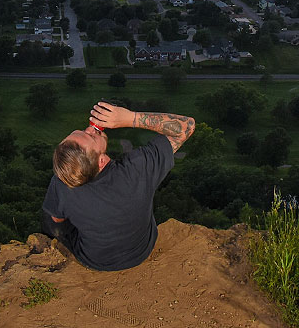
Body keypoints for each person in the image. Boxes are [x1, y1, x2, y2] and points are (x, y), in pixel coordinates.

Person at [41, 102, 195, 271]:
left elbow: (57, 220)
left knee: (52, 216)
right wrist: (130, 118)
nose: (90, 128)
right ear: (100, 161)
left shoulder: (61, 184)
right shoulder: (137, 169)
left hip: (94, 260)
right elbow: (186, 127)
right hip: (141, 252)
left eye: (84, 131)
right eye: (91, 136)